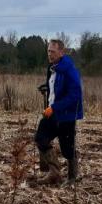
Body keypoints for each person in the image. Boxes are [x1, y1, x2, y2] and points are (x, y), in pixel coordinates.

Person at [33, 39, 84, 186]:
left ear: (61, 52)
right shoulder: (51, 68)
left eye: (53, 51)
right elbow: (55, 87)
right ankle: (54, 173)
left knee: (67, 148)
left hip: (67, 115)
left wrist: (54, 107)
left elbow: (75, 96)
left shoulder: (70, 70)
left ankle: (73, 177)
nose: (50, 54)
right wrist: (46, 90)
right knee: (40, 138)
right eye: (48, 51)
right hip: (52, 113)